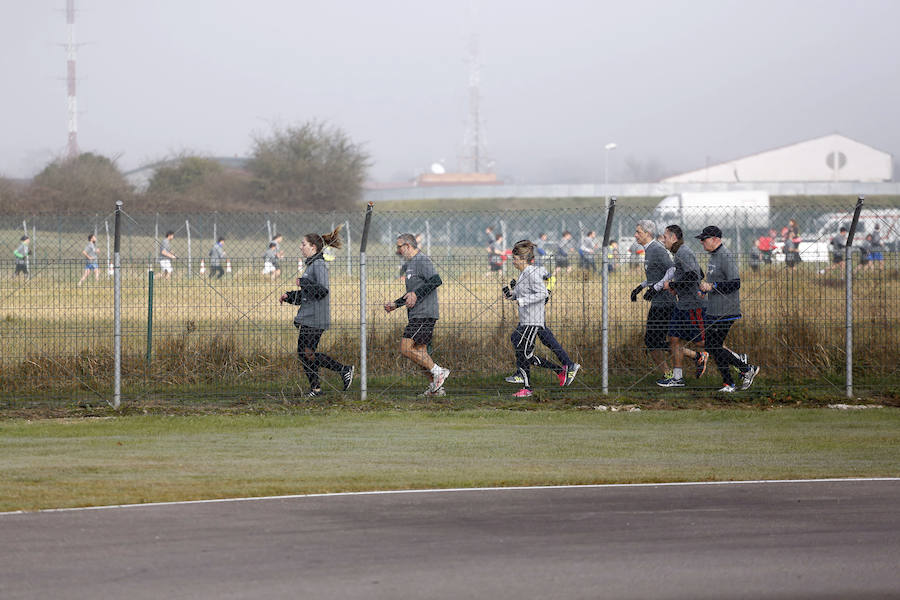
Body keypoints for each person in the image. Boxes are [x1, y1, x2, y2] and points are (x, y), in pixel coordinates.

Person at [280, 226, 354, 397]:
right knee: (305, 354)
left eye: (303, 244)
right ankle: (316, 389)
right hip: (309, 317)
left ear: (313, 247)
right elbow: (308, 295)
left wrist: (303, 283)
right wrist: (289, 296)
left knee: (307, 353)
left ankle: (343, 370)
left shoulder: (319, 265)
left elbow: (322, 291)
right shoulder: (312, 265)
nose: (300, 247)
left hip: (316, 319)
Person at [503, 239, 580, 397]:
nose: (513, 261)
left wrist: (522, 301)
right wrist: (510, 294)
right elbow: (520, 294)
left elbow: (543, 293)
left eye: (515, 259)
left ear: (523, 259)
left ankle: (528, 387)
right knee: (521, 347)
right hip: (526, 320)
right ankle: (558, 371)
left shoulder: (531, 273)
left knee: (525, 354)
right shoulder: (523, 274)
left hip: (532, 321)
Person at [695, 226, 760, 392]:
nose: (702, 242)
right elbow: (713, 282)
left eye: (705, 239)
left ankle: (745, 369)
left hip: (726, 311)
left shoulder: (725, 256)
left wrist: (713, 286)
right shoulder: (713, 256)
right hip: (714, 310)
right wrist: (704, 290)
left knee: (713, 346)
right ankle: (729, 383)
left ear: (716, 239)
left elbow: (735, 283)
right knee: (712, 346)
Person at [384, 233, 450, 396]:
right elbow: (411, 294)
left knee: (406, 348)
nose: (397, 250)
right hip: (415, 313)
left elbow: (436, 280)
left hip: (425, 313)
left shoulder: (422, 260)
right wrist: (396, 304)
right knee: (421, 352)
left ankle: (439, 372)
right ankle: (436, 388)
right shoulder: (410, 264)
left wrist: (416, 295)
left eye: (399, 247)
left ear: (407, 246)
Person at [656, 224, 708, 388]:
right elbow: (700, 272)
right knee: (674, 339)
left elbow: (694, 275)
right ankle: (677, 378)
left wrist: (673, 284)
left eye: (665, 237)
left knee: (703, 344)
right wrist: (676, 287)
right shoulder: (678, 253)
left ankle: (739, 362)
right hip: (681, 305)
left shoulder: (683, 252)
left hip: (693, 306)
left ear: (673, 238)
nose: (663, 240)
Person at [629, 220, 675, 380]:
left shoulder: (656, 249)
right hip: (658, 302)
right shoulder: (649, 250)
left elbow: (672, 269)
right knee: (656, 342)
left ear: (648, 234)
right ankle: (695, 357)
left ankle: (670, 374)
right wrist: (640, 287)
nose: (635, 235)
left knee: (653, 342)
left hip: (664, 302)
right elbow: (655, 274)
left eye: (638, 232)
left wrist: (656, 288)